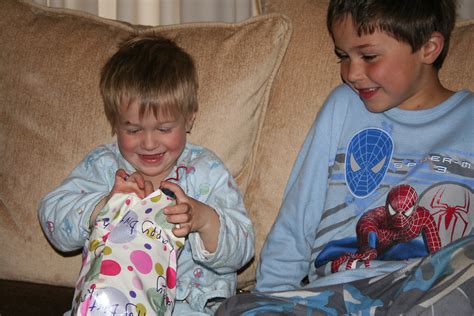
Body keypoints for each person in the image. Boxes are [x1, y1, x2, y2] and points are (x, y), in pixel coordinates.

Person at [215, 0, 474, 314]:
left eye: (368, 56)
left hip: (425, 292)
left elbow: (440, 242)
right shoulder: (343, 107)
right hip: (336, 294)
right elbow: (299, 219)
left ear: (428, 48)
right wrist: (272, 298)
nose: (351, 73)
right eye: (343, 56)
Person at [38, 35, 255, 315]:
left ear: (189, 118)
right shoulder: (104, 165)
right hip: (110, 299)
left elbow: (244, 247)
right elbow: (51, 214)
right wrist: (102, 207)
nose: (150, 143)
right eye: (133, 130)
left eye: (164, 129)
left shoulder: (206, 171)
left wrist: (202, 218)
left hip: (188, 305)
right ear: (115, 122)